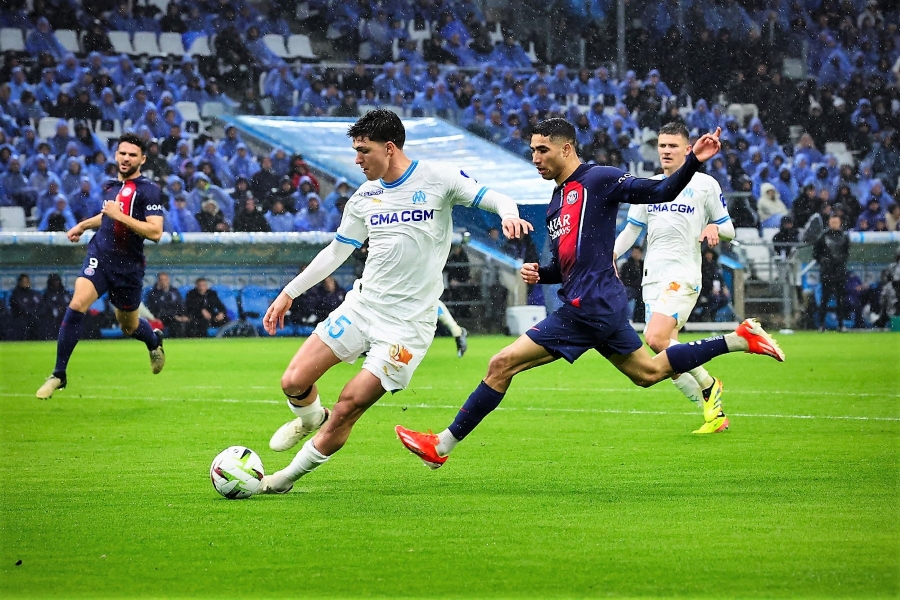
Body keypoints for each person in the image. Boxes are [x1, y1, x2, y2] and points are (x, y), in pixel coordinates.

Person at [395, 118, 784, 469]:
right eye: (532, 150)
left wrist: (694, 161)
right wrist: (543, 272)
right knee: (648, 373)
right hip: (598, 302)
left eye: (542, 150)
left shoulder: (598, 179)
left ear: (566, 149)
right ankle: (738, 339)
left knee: (501, 364)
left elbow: (661, 189)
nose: (535, 158)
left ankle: (441, 447)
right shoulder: (555, 203)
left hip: (588, 306)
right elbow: (570, 264)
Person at [254, 109, 533, 494]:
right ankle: (309, 418)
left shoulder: (439, 178)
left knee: (349, 406)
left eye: (363, 150)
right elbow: (337, 251)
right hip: (362, 308)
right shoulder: (364, 196)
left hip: (406, 327)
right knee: (293, 380)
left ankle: (282, 480)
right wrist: (289, 293)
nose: (357, 159)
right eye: (355, 150)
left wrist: (510, 215)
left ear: (389, 148)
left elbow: (494, 197)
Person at [612, 121, 735, 433]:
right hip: (652, 278)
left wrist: (713, 228)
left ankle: (709, 385)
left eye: (672, 146)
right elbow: (631, 231)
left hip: (684, 274)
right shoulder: (649, 186)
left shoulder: (705, 184)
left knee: (654, 337)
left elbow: (729, 228)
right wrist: (611, 254)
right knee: (664, 349)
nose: (666, 151)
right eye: (662, 146)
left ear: (688, 149)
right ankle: (713, 412)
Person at [36, 133, 165, 399]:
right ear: (116, 155)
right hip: (100, 256)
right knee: (77, 303)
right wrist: (83, 225)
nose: (126, 158)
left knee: (128, 327)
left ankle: (153, 340)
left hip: (128, 267)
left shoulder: (149, 190)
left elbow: (155, 232)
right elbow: (107, 219)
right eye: (122, 153)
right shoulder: (109, 186)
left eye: (132, 154)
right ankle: (59, 374)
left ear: (143, 159)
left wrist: (120, 216)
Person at [812, 214, 850, 332]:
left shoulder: (844, 236)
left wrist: (839, 262)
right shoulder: (823, 236)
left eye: (836, 222)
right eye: (832, 222)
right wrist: (824, 262)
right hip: (827, 272)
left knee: (840, 300)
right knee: (825, 299)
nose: (834, 224)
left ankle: (841, 324)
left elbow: (846, 253)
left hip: (839, 271)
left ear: (839, 223)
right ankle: (822, 324)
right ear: (829, 222)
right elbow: (815, 253)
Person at [145, 272, 190, 338]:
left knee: (181, 323)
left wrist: (183, 315)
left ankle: (177, 344)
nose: (163, 282)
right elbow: (153, 307)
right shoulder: (153, 293)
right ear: (158, 281)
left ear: (168, 280)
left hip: (174, 318)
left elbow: (180, 305)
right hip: (159, 317)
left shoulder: (174, 291)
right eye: (161, 280)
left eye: (165, 280)